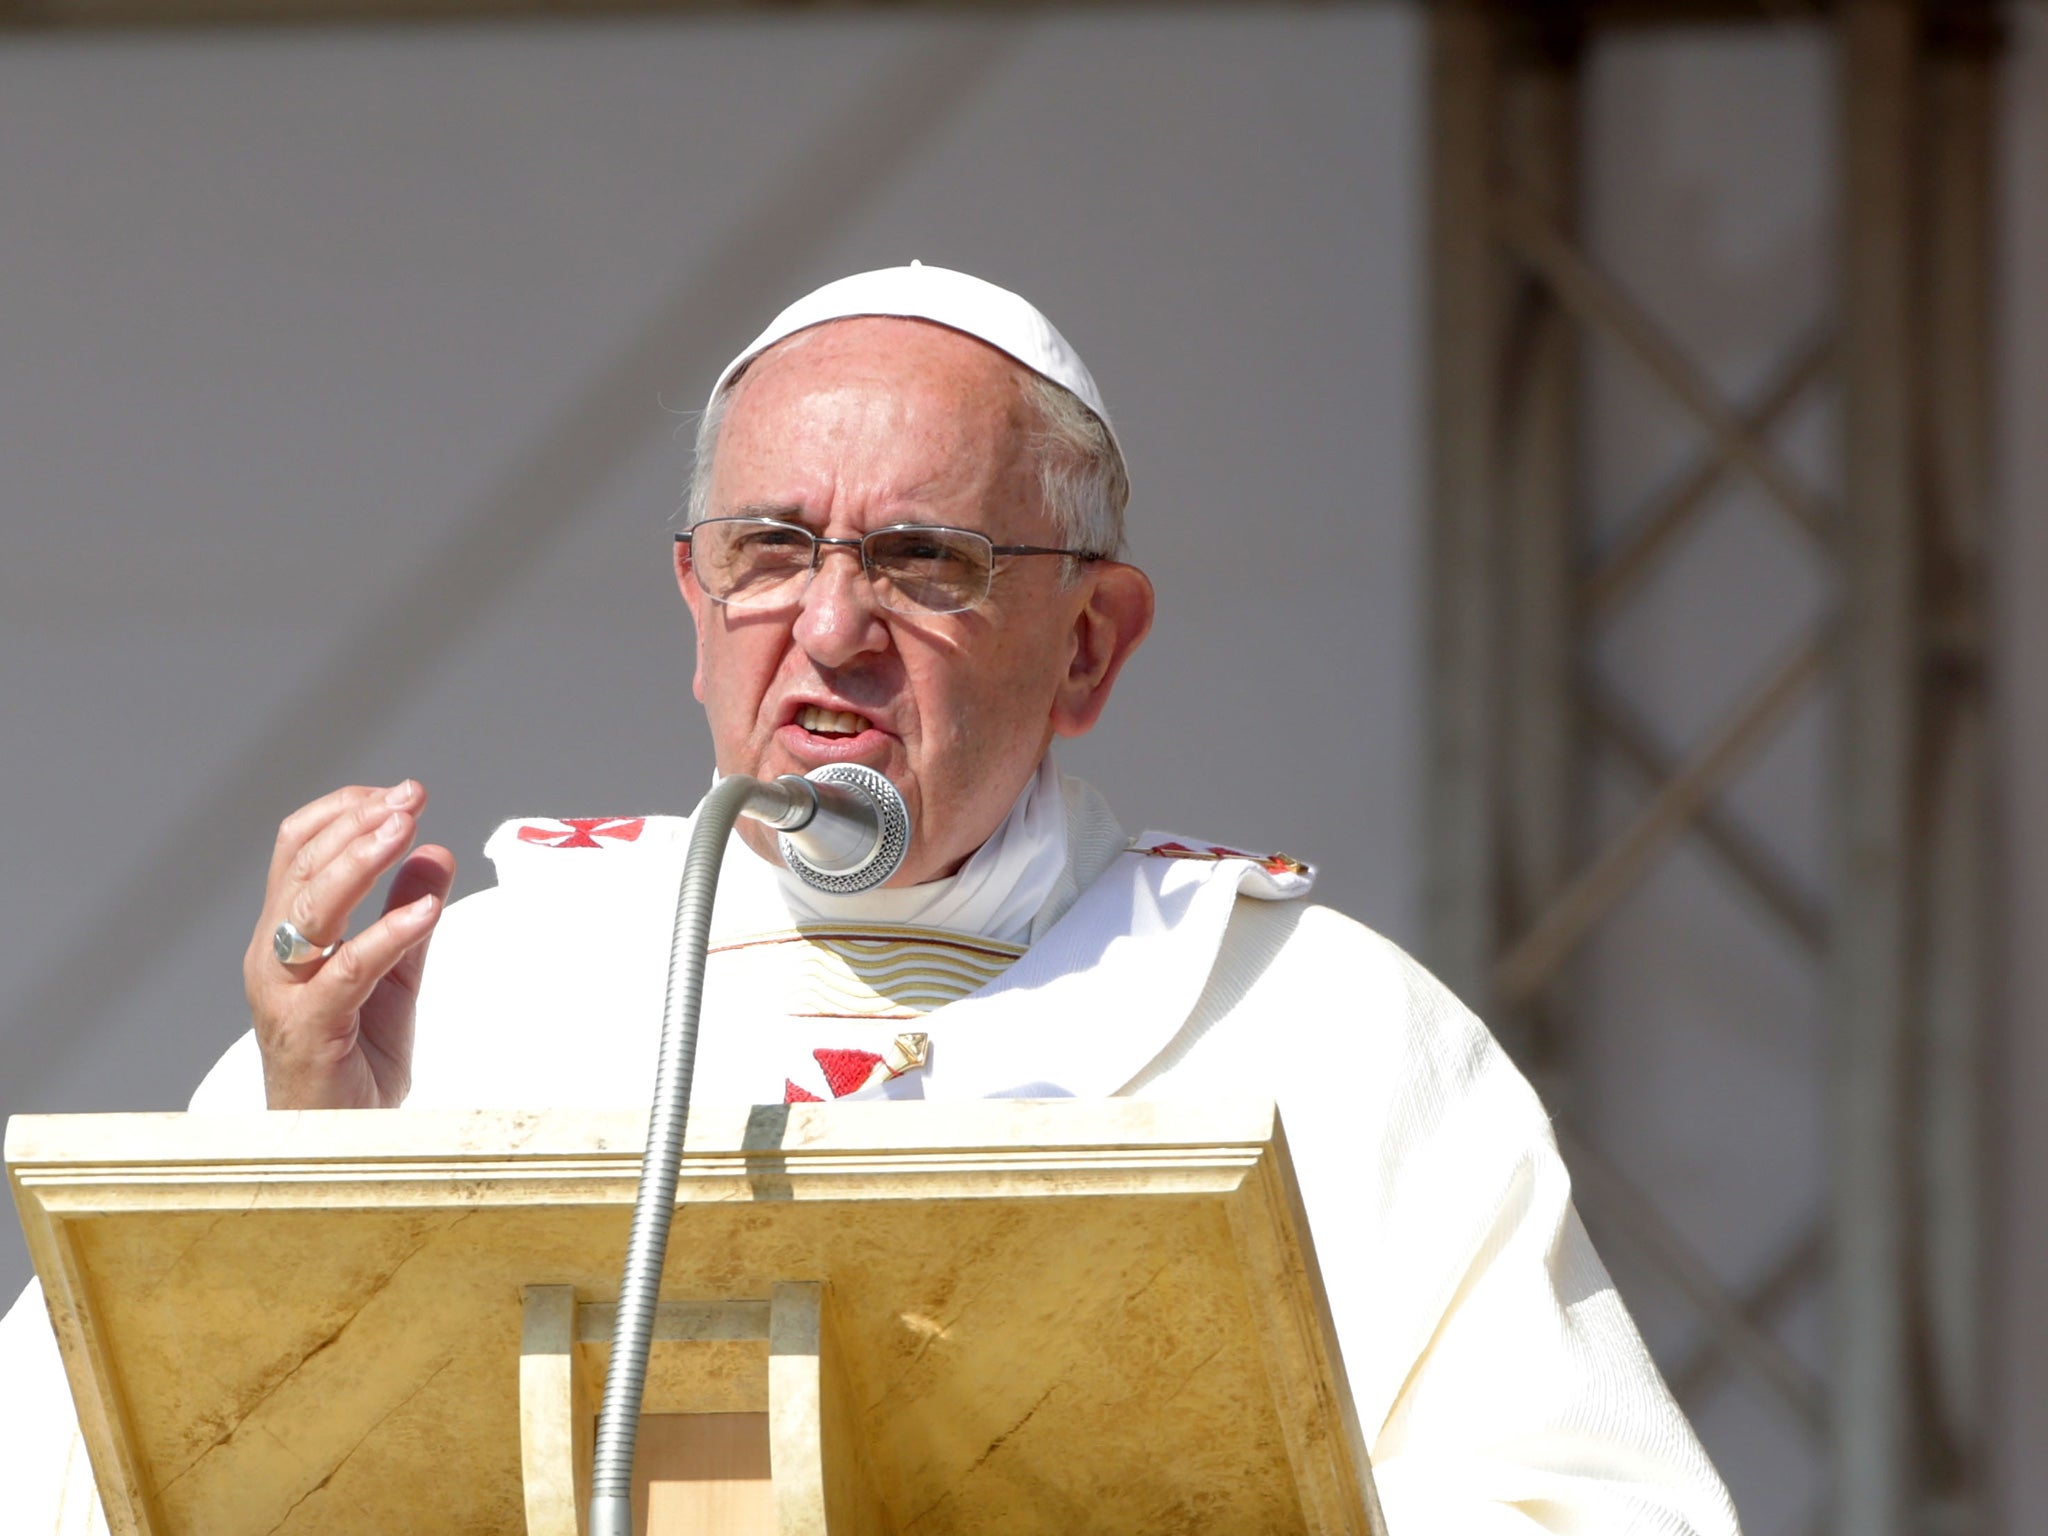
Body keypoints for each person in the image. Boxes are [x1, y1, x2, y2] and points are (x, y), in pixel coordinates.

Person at [1, 263, 1742, 1534]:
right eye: (772, 552)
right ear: (693, 604)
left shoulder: (1322, 1033)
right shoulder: (442, 1006)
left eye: (924, 563)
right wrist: (319, 1177)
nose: (830, 632)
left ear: (1086, 646)